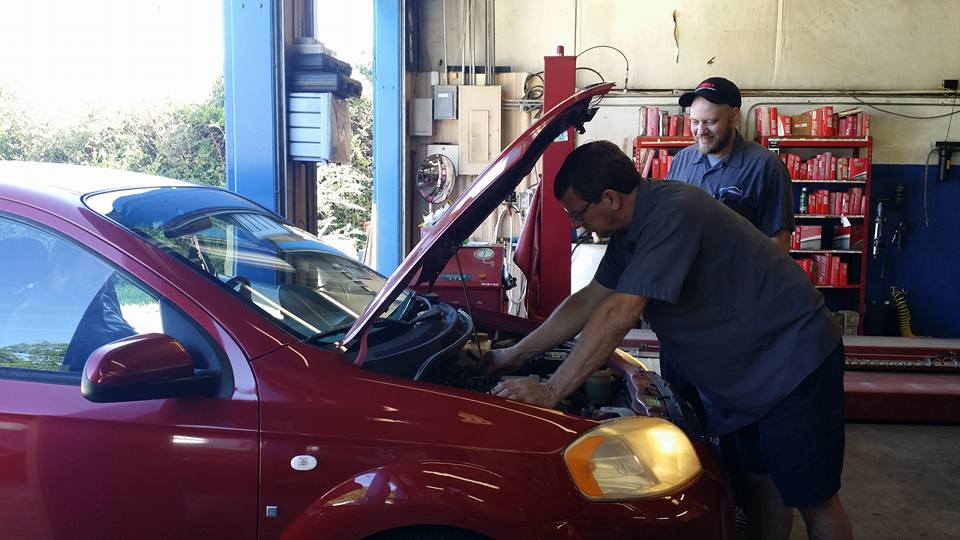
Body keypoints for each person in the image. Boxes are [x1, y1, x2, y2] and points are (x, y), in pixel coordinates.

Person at [487, 141, 852, 540]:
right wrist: (512, 356)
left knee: (814, 500)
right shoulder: (629, 231)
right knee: (758, 482)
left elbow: (619, 312)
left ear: (610, 199)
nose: (577, 225)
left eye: (577, 213)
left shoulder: (674, 212)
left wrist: (552, 390)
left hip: (793, 361)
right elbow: (589, 300)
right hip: (744, 373)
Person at [668, 77, 794, 252]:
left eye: (710, 122)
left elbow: (779, 242)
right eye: (695, 122)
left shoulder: (766, 166)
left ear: (734, 117)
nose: (700, 131)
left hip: (739, 270)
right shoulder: (682, 160)